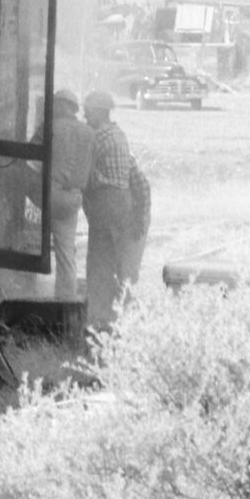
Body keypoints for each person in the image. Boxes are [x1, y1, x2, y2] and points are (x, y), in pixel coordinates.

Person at [81, 87, 150, 332]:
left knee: (100, 261)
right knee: (120, 264)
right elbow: (138, 179)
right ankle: (121, 317)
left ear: (100, 112)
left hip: (106, 201)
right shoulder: (119, 135)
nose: (85, 116)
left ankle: (98, 320)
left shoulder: (98, 137)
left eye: (88, 112)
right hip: (122, 203)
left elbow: (83, 167)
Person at [45, 89, 94, 303]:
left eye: (56, 103)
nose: (53, 107)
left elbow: (31, 156)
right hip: (74, 197)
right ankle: (65, 300)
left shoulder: (51, 127)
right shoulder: (88, 132)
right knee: (66, 251)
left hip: (51, 194)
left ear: (63, 106)